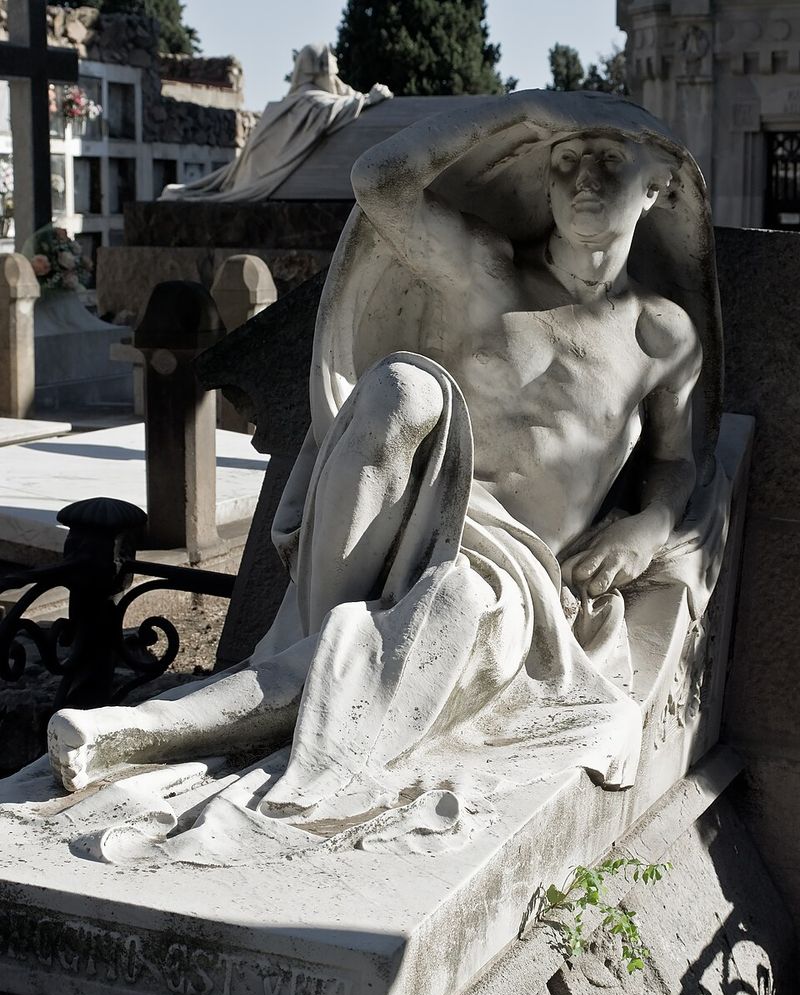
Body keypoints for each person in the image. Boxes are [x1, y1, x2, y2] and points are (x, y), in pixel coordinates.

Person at [44, 92, 728, 861]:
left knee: (452, 596)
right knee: (405, 387)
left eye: (608, 162)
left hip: (519, 571)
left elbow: (676, 462)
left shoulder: (662, 335)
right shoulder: (491, 274)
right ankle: (304, 658)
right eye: (564, 162)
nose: (580, 180)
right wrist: (521, 114)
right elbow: (381, 182)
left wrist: (649, 526)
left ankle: (150, 729)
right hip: (410, 519)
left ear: (659, 182)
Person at [160, 43, 392, 203]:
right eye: (331, 69)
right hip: (259, 176)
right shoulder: (309, 102)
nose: (336, 77)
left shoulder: (293, 102)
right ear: (318, 70)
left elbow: (340, 95)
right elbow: (332, 107)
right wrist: (369, 99)